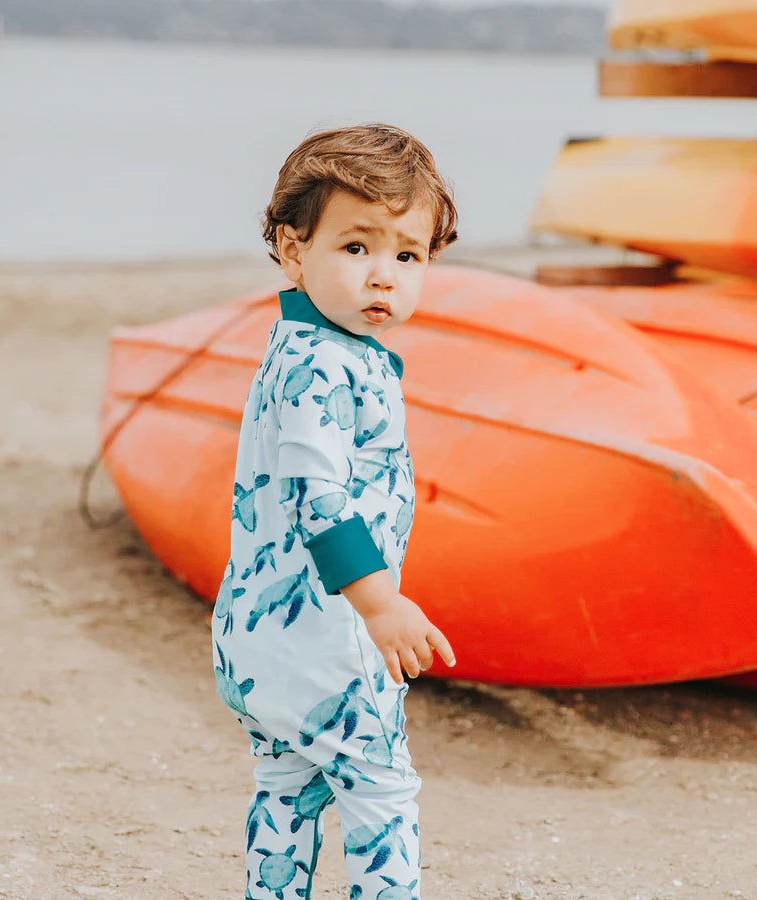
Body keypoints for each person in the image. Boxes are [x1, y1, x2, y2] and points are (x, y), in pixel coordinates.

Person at [212, 123, 458, 900]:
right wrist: (381, 606)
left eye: (408, 255)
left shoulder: (302, 346)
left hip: (258, 633)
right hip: (329, 638)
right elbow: (317, 498)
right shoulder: (323, 364)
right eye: (356, 247)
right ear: (294, 252)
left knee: (288, 786)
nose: (383, 276)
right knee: (382, 793)